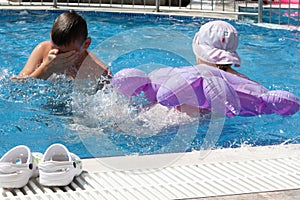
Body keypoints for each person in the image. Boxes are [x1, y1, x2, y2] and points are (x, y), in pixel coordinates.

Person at [17, 10, 111, 88]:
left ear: (86, 44)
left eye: (66, 53)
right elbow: (17, 86)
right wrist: (46, 68)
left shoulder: (99, 73)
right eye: (54, 48)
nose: (58, 55)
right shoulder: (43, 50)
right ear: (51, 37)